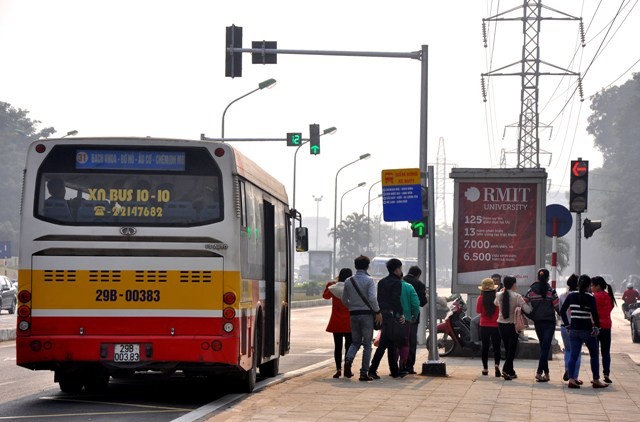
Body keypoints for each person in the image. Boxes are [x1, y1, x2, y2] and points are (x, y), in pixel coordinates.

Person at [560, 274, 608, 389]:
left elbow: (562, 311)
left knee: (573, 355)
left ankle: (572, 379)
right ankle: (596, 380)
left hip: (574, 330)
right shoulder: (590, 297)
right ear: (588, 285)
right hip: (587, 330)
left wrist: (567, 325)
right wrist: (596, 327)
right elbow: (595, 314)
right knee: (594, 355)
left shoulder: (571, 295)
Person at [341, 255, 382, 381]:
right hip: (366, 315)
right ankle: (364, 373)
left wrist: (352, 306)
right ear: (367, 266)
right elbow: (372, 298)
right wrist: (377, 311)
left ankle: (348, 361)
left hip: (353, 314)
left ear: (355, 266)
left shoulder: (348, 281)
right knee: (367, 345)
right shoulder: (370, 281)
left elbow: (344, 300)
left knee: (355, 342)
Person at [368, 258, 405, 379]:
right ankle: (372, 369)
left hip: (382, 315)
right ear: (396, 269)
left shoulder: (382, 282)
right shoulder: (397, 283)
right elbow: (396, 299)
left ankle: (393, 370)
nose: (401, 271)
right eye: (400, 268)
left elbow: (378, 299)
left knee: (391, 343)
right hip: (391, 316)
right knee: (385, 344)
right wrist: (401, 313)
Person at [523, 268, 560, 382]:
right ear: (548, 278)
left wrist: (531, 316)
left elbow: (524, 304)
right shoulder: (551, 291)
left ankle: (547, 374)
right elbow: (557, 307)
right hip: (549, 322)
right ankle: (539, 373)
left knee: (544, 347)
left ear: (538, 277)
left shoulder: (531, 290)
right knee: (545, 347)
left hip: (538, 322)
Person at [494, 275, 532, 380]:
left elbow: (495, 303)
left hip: (501, 324)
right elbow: (528, 310)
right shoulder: (517, 297)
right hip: (512, 325)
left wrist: (502, 291)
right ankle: (506, 369)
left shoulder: (499, 294)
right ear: (513, 284)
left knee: (507, 348)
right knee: (512, 349)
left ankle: (511, 371)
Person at [322, 268, 353, 379]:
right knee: (349, 346)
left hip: (336, 320)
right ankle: (348, 366)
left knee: (338, 346)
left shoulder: (333, 286)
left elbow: (325, 296)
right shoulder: (352, 286)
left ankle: (338, 369)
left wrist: (330, 284)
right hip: (349, 321)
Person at [591, 275, 616, 384]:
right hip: (607, 326)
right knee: (606, 352)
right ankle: (606, 373)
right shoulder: (609, 296)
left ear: (598, 286)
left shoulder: (594, 296)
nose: (591, 287)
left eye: (593, 285)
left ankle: (596, 376)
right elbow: (609, 308)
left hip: (596, 327)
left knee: (595, 352)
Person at [402, 265, 427, 374]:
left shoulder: (401, 281)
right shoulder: (419, 284)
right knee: (411, 341)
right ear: (418, 275)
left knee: (400, 341)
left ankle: (399, 364)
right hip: (412, 318)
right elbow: (422, 302)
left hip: (399, 317)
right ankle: (409, 366)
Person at [559, 274, 582, 384]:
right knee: (577, 352)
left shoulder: (563, 296)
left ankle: (568, 369)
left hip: (565, 326)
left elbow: (560, 311)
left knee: (568, 350)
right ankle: (575, 376)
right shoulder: (582, 296)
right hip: (578, 327)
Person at [477, 278, 501, 377]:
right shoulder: (498, 298)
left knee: (485, 347)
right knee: (497, 348)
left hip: (484, 326)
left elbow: (478, 311)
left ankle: (485, 369)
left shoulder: (480, 298)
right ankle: (496, 365)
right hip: (496, 325)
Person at [397, 270, 420, 374]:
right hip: (407, 319)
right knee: (406, 342)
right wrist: (414, 316)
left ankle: (394, 366)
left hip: (392, 319)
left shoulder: (388, 285)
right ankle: (405, 364)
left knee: (394, 343)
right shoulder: (410, 286)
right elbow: (416, 304)